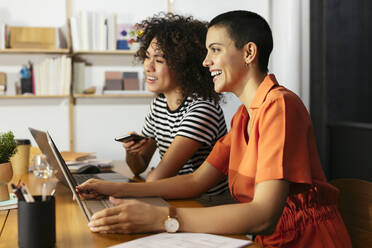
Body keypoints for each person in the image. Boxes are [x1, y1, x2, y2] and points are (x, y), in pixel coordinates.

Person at [77, 10, 352, 247]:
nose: (205, 61)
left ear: (249, 53)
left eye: (215, 50)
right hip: (268, 239)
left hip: (307, 242)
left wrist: (163, 218)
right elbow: (196, 181)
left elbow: (264, 215)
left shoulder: (279, 106)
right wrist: (113, 188)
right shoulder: (244, 116)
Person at [121, 13, 229, 196]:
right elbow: (138, 168)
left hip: (206, 204)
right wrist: (132, 152)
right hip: (178, 198)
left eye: (159, 60)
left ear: (184, 67)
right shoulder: (159, 105)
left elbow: (157, 179)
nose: (148, 66)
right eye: (147, 57)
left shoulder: (202, 109)